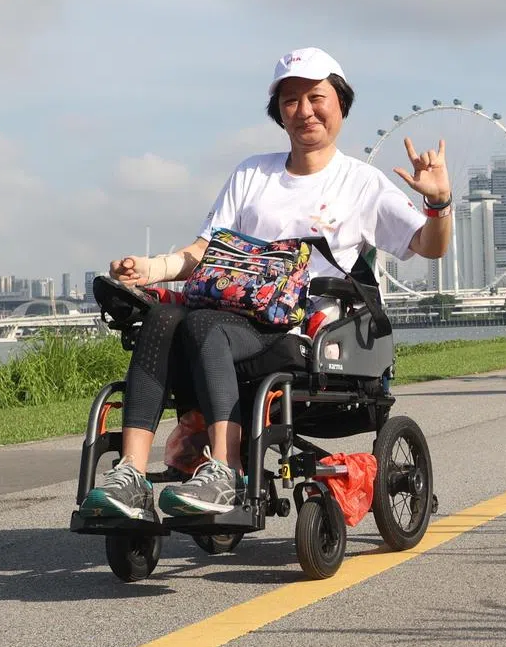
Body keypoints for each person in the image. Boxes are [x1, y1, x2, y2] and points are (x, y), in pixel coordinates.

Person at [79, 47, 453, 521]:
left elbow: (428, 245)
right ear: (278, 112)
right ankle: (130, 475)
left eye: (316, 97)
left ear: (340, 103)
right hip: (231, 318)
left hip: (299, 331)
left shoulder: (362, 183)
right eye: (290, 100)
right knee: (161, 318)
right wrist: (150, 269)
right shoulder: (252, 173)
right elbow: (205, 251)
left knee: (202, 326)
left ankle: (226, 471)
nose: (304, 110)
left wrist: (439, 204)